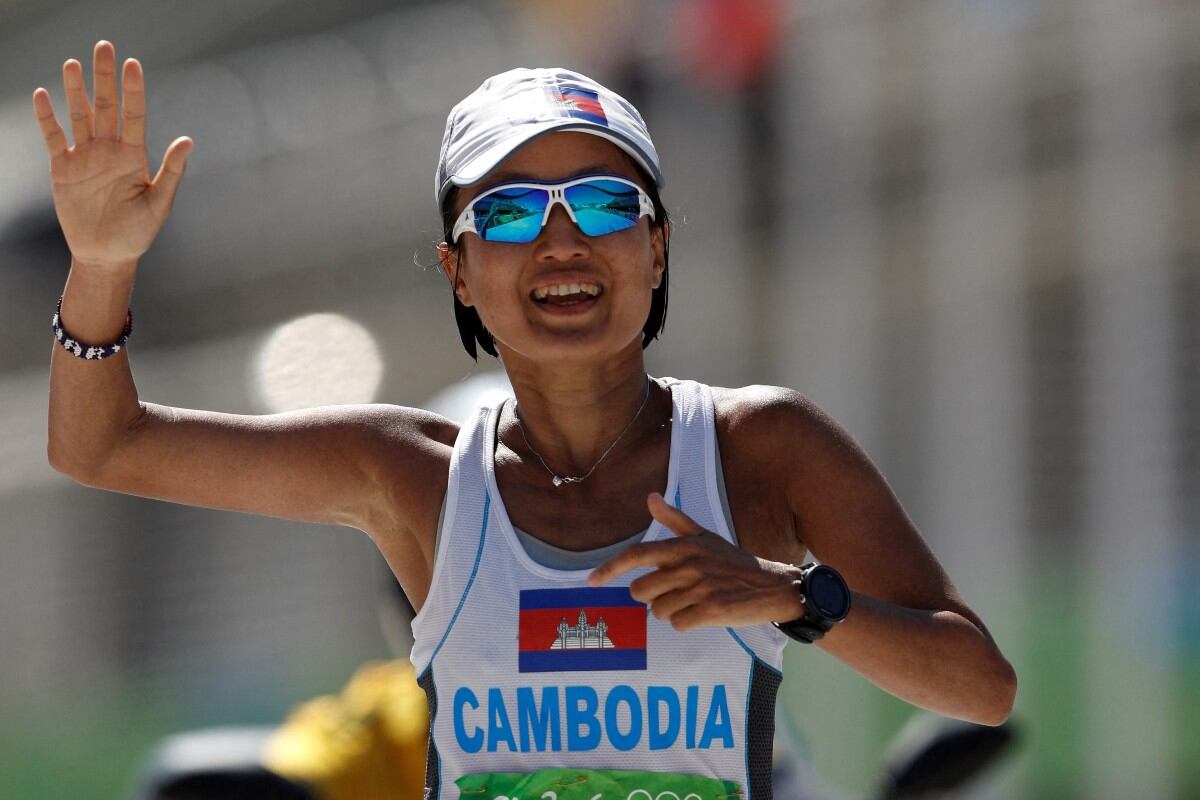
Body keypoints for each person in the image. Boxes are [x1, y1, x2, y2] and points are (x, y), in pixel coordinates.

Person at [35, 40, 1017, 800]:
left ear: (657, 245)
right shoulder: (407, 471)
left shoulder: (762, 447)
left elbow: (982, 686)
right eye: (508, 213)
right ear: (458, 267)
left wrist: (788, 593)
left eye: (601, 203)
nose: (560, 240)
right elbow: (99, 443)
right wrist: (103, 263)